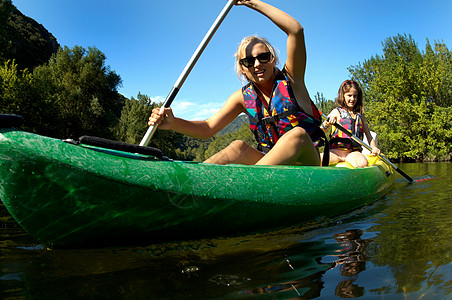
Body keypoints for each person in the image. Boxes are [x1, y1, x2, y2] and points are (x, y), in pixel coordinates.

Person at [148, 0, 325, 166]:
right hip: (268, 163)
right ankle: (188, 187)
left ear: (273, 60)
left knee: (297, 135)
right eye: (248, 61)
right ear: (242, 68)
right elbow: (208, 127)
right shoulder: (242, 97)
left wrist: (250, 2)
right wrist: (174, 123)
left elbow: (296, 30)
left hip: (306, 163)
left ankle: (248, 184)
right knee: (237, 147)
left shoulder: (292, 79)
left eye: (263, 57)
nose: (257, 64)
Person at [320, 80, 380, 168]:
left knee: (362, 164)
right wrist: (327, 123)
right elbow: (320, 131)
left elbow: (369, 135)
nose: (352, 99)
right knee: (317, 160)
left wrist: (374, 147)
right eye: (349, 95)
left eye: (355, 96)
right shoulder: (336, 112)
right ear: (343, 96)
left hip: (352, 153)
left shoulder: (360, 115)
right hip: (335, 152)